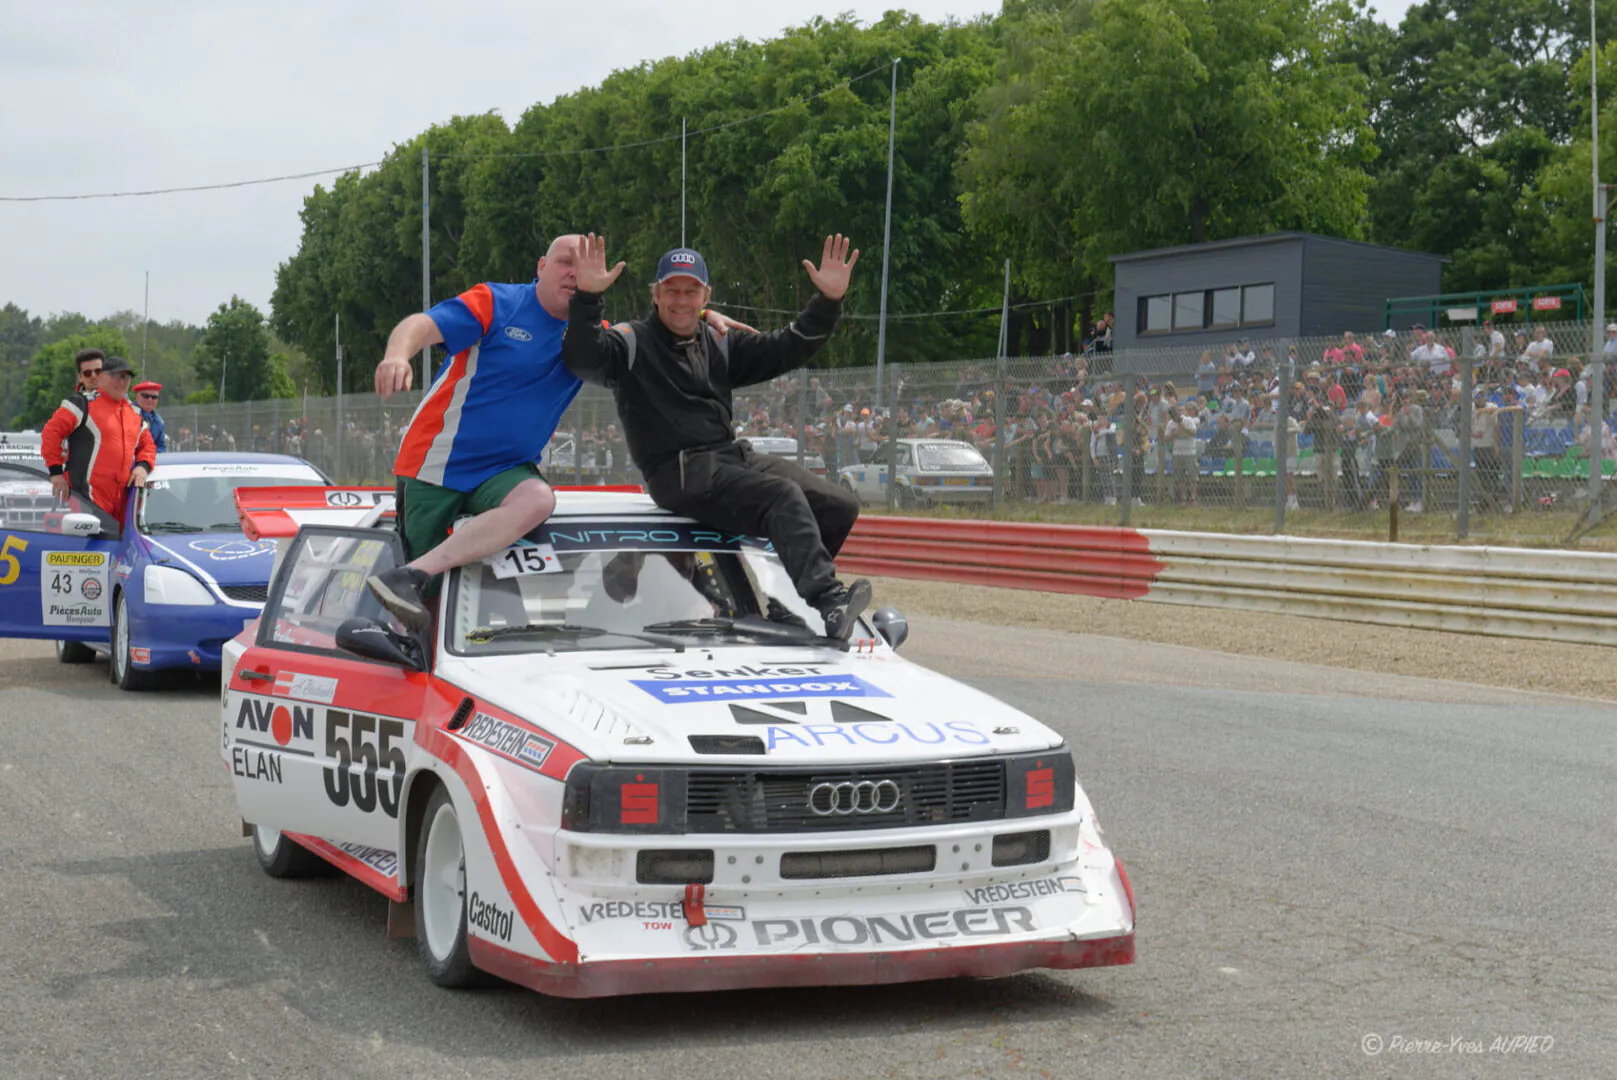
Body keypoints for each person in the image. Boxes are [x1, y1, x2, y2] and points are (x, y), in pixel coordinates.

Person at [365, 233, 752, 631]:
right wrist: (396, 354)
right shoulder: (498, 302)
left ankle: (416, 575)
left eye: (583, 266)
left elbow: (650, 331)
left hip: (505, 472)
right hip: (435, 466)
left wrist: (702, 316)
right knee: (416, 612)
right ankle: (400, 601)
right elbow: (422, 324)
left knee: (537, 501)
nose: (574, 273)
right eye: (565, 261)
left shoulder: (589, 336)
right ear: (541, 267)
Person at [561, 234, 872, 639]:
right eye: (671, 290)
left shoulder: (719, 341)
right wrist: (587, 298)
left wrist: (828, 303)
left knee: (839, 504)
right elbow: (582, 359)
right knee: (782, 496)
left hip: (729, 458)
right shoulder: (632, 342)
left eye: (691, 291)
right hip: (678, 472)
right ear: (656, 295)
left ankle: (783, 604)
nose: (681, 300)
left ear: (705, 295)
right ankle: (829, 602)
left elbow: (787, 348)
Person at [40, 355, 156, 526]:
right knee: (89, 552)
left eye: (127, 377)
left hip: (123, 505)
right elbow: (51, 433)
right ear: (101, 378)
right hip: (86, 502)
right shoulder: (82, 403)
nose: (123, 382)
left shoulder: (134, 413)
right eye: (118, 376)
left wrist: (143, 467)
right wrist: (56, 472)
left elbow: (148, 446)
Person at [132, 381, 167, 452]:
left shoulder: (159, 422)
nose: (150, 399)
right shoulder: (127, 415)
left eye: (154, 397)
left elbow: (161, 447)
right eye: (145, 396)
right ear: (137, 396)